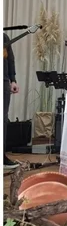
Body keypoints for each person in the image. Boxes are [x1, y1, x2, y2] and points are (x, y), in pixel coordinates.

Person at [3, 33, 19, 171]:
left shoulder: (4, 37)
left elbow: (10, 60)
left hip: (3, 82)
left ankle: (2, 156)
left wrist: (13, 79)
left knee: (3, 119)